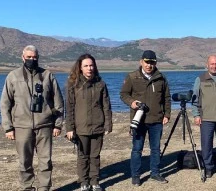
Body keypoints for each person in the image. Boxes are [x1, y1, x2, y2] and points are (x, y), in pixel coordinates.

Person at [0, 45, 64, 191]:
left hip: (45, 125)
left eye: (34, 57)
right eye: (28, 57)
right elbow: (5, 103)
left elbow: (58, 102)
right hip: (22, 126)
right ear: (23, 57)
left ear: (38, 58)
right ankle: (27, 187)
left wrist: (58, 124)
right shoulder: (13, 76)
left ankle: (44, 188)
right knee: (24, 161)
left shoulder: (48, 75)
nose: (31, 59)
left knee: (45, 161)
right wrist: (8, 127)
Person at [120, 50, 171, 186]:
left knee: (155, 149)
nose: (149, 65)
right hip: (139, 120)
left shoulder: (161, 78)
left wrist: (167, 114)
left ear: (155, 63)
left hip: (156, 120)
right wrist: (132, 102)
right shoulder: (132, 77)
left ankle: (155, 173)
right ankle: (136, 175)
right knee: (137, 149)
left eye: (152, 62)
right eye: (147, 62)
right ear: (141, 61)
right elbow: (124, 94)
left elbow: (166, 98)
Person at [65, 54, 112, 191]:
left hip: (98, 126)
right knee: (83, 156)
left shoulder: (100, 84)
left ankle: (95, 181)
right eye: (86, 66)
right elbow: (70, 108)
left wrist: (108, 124)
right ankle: (84, 182)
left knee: (95, 156)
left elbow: (106, 106)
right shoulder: (73, 85)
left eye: (91, 65)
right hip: (81, 128)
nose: (89, 68)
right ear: (80, 68)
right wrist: (70, 128)